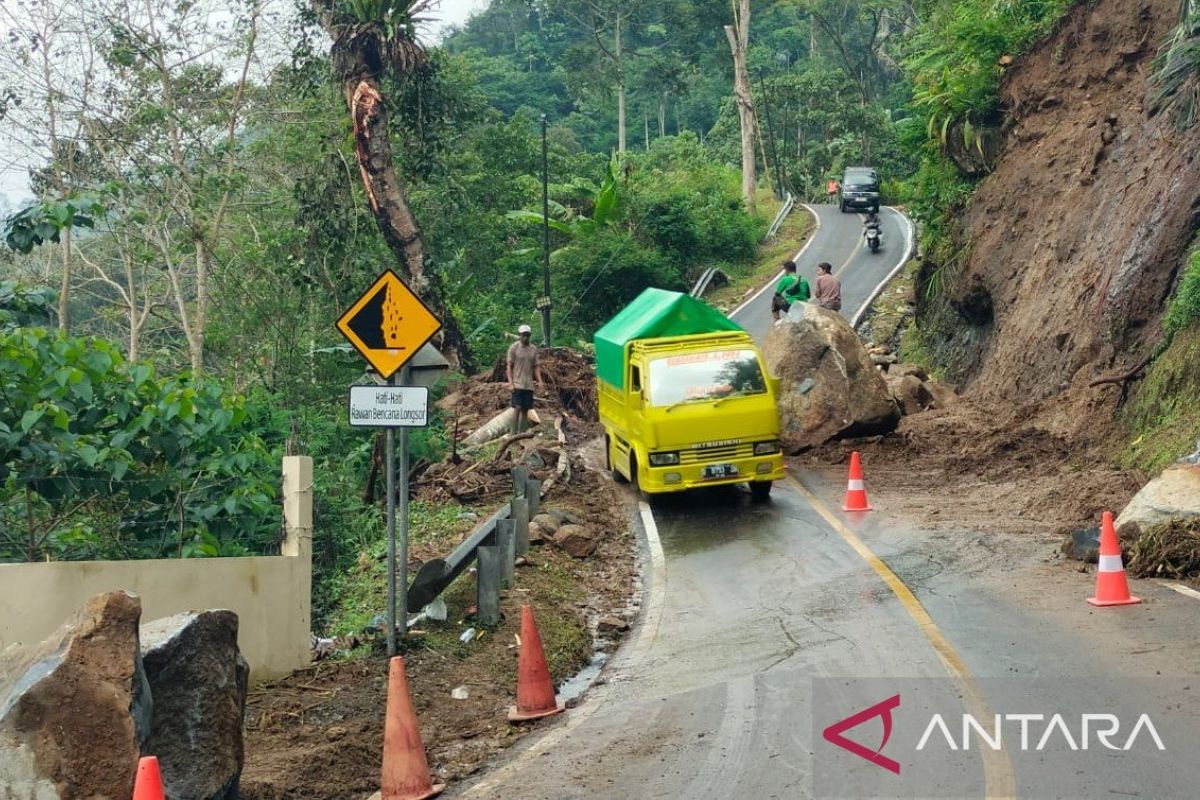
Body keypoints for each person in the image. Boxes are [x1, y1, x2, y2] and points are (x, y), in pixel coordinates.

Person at [506, 324, 543, 432]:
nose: (525, 337)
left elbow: (536, 366)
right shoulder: (514, 348)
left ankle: (521, 434)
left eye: (527, 335)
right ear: (519, 335)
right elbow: (509, 366)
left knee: (525, 409)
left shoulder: (533, 349)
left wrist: (540, 381)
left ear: (530, 335)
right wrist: (510, 383)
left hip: (528, 385)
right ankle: (513, 433)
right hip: (517, 383)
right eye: (523, 335)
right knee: (517, 407)